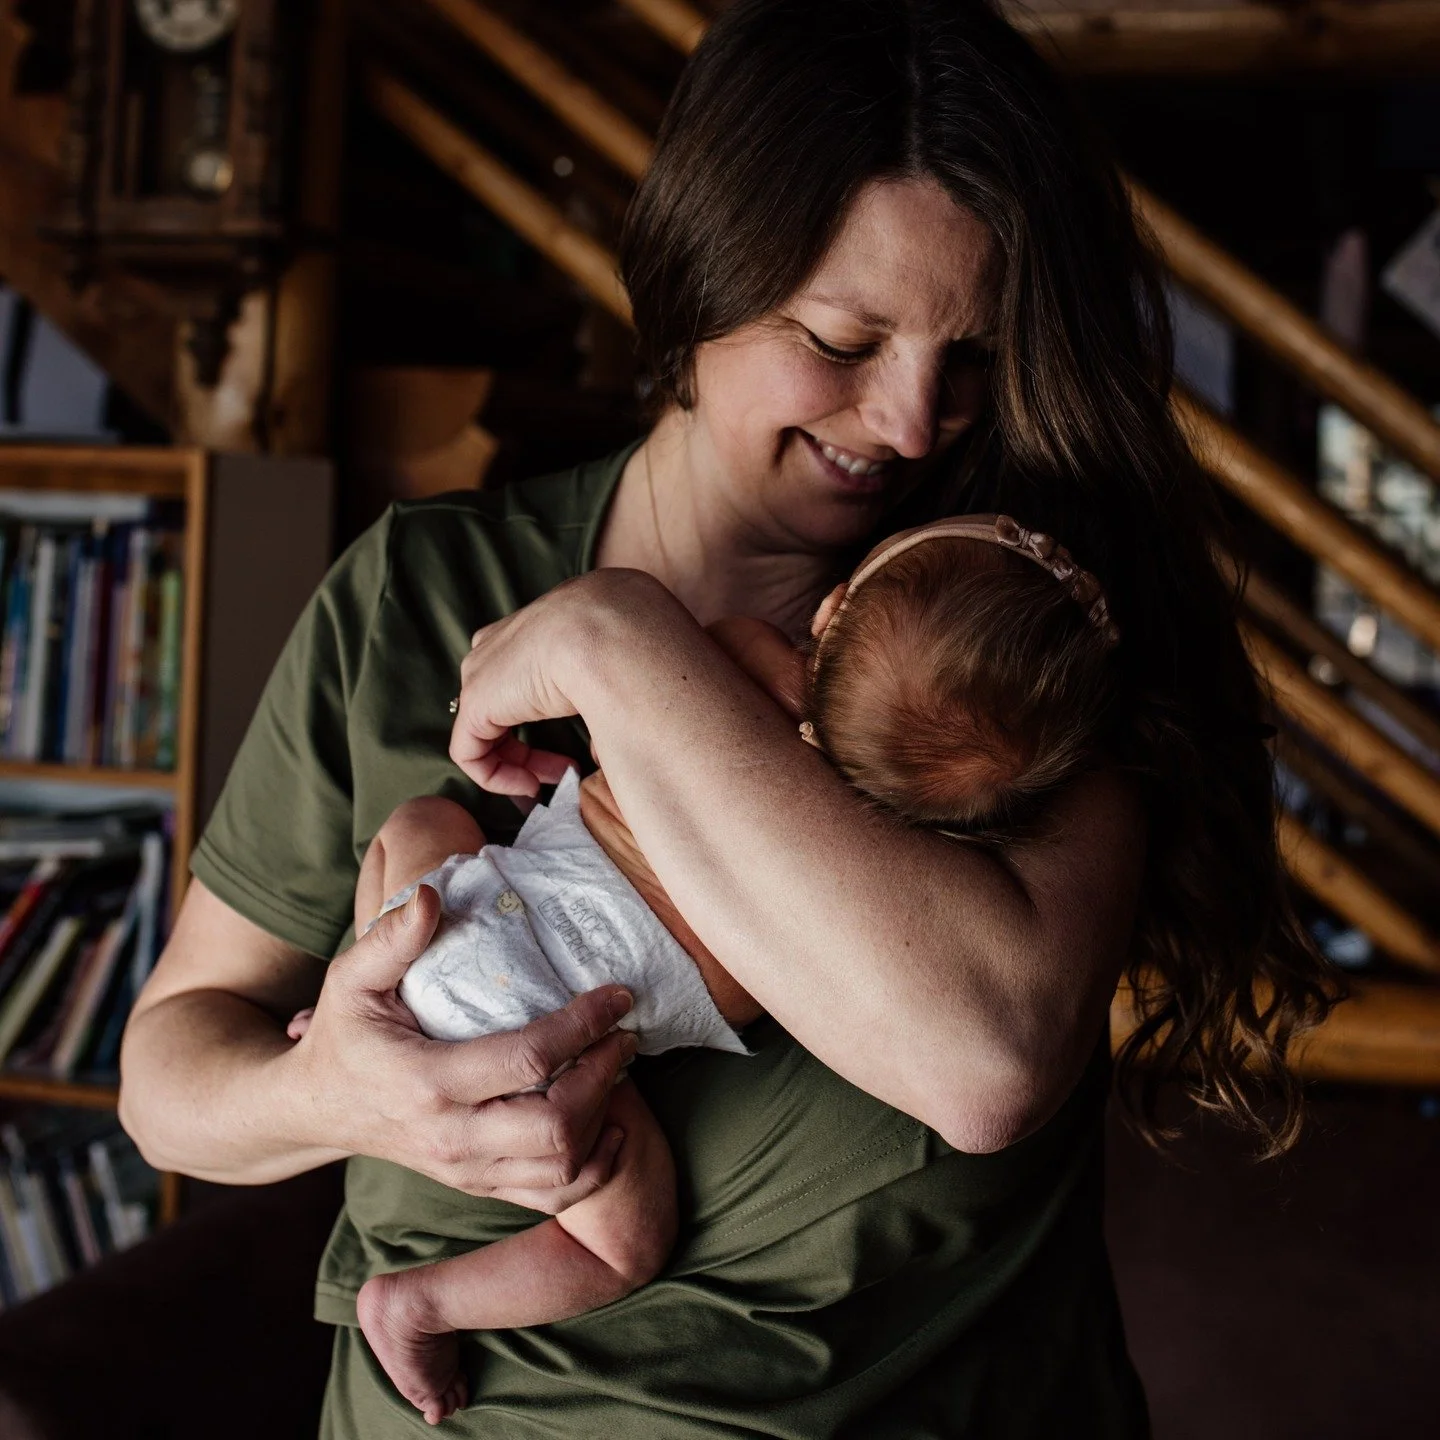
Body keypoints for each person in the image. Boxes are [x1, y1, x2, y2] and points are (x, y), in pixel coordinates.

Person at [118, 1, 1335, 1434]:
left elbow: (987, 1063)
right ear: (702, 277)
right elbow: (171, 1070)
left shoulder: (1002, 648)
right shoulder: (419, 591)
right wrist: (336, 1098)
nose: (908, 419)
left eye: (975, 358)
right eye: (840, 337)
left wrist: (622, 650)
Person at [308, 512, 1122, 1425]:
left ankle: (361, 997)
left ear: (835, 609)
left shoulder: (735, 689)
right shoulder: (888, 868)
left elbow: (714, 646)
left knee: (423, 819)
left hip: (453, 921)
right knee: (626, 1241)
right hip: (549, 1036)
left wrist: (758, 660)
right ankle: (418, 1303)